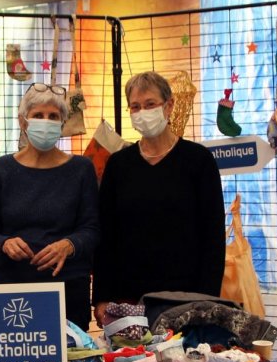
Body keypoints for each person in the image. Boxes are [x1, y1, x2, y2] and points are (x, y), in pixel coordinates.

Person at [93, 71, 225, 327]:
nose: (142, 112)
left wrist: (207, 300)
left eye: (150, 104)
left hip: (186, 298)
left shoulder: (198, 161)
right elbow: (105, 236)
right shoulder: (118, 165)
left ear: (169, 105)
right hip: (128, 298)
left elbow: (213, 238)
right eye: (135, 106)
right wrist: (101, 297)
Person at [0, 83, 100, 330]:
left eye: (53, 116)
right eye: (38, 115)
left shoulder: (81, 169)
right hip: (12, 289)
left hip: (68, 288)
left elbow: (93, 228)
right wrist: (3, 243)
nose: (46, 121)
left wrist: (69, 245)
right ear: (23, 122)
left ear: (63, 123)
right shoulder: (0, 170)